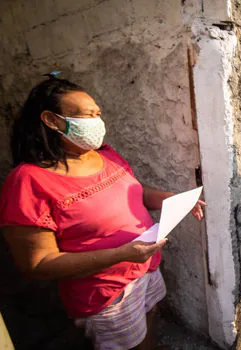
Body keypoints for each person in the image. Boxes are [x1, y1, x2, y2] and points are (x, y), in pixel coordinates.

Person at [0, 75, 206, 350]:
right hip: (105, 294)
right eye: (88, 115)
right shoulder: (28, 181)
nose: (98, 122)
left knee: (149, 327)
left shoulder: (104, 154)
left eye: (98, 114)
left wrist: (169, 199)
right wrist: (122, 254)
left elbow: (134, 191)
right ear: (52, 121)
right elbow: (37, 264)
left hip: (145, 269)